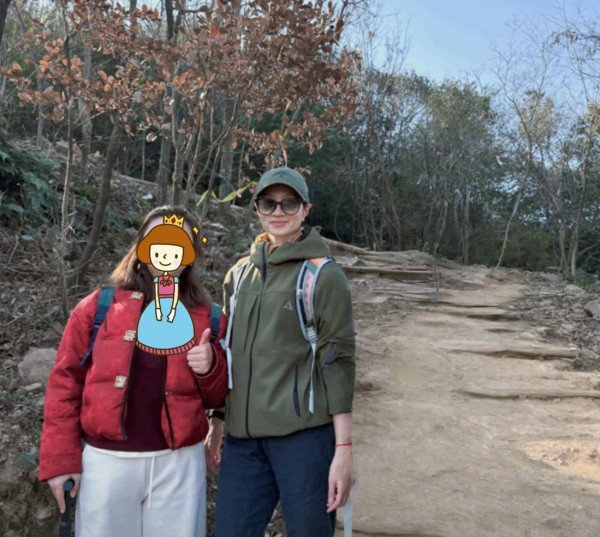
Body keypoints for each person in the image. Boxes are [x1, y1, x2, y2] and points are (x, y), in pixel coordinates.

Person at [39, 206, 228, 537]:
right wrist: (60, 460)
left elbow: (219, 397)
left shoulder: (209, 317)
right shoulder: (98, 307)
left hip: (179, 465)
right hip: (107, 463)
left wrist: (210, 367)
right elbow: (65, 384)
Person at [208, 166, 356, 537]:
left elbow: (338, 364)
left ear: (306, 209)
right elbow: (228, 354)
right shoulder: (238, 275)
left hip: (303, 441)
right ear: (257, 208)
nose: (278, 211)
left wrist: (343, 449)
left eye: (289, 203)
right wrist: (218, 422)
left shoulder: (323, 276)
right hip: (243, 443)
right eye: (268, 203)